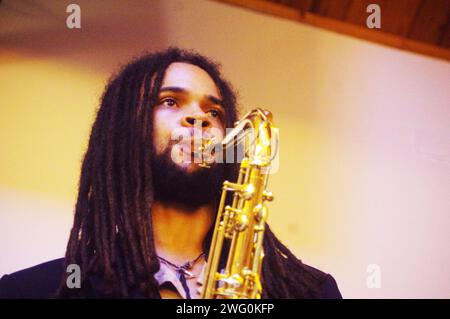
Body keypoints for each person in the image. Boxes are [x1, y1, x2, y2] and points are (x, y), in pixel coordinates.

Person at [0, 48, 342, 299]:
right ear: (125, 133)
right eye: (170, 102)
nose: (198, 118)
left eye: (214, 111)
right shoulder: (31, 291)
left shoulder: (314, 292)